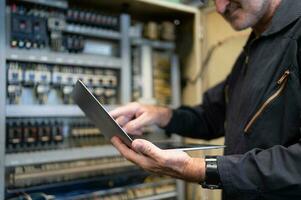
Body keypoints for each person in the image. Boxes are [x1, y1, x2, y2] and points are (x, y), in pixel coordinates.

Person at [110, 0, 301, 199]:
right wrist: (160, 115)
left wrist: (196, 169)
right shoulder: (253, 49)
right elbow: (212, 117)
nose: (219, 8)